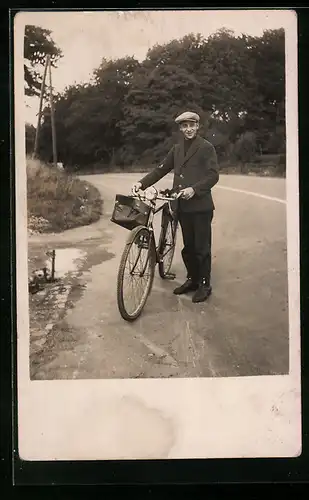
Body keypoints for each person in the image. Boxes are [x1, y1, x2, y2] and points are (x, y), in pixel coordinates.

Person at [131, 111, 219, 303]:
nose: (188, 129)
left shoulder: (206, 147)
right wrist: (141, 183)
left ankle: (204, 284)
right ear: (180, 129)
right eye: (184, 126)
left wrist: (194, 190)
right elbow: (161, 169)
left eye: (191, 125)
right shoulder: (177, 150)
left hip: (201, 206)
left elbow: (213, 175)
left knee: (201, 248)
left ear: (197, 126)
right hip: (182, 206)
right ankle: (192, 280)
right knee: (188, 247)